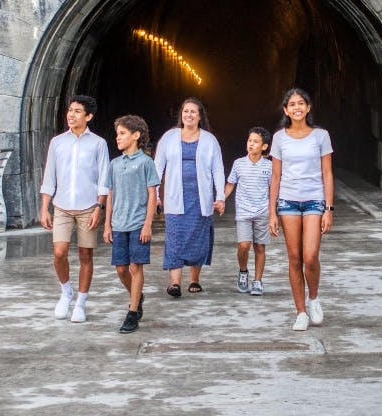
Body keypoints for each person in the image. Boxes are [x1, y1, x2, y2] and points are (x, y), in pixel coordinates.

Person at [38, 95, 109, 324]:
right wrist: (44, 207)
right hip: (62, 206)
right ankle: (66, 290)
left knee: (85, 254)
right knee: (59, 253)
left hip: (88, 206)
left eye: (78, 111)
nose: (71, 115)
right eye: (70, 110)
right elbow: (49, 176)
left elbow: (103, 178)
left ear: (88, 116)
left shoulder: (98, 143)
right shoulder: (57, 142)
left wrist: (99, 207)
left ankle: (80, 302)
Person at [268, 87, 334, 332]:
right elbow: (275, 176)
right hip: (288, 201)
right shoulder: (279, 138)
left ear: (308, 108)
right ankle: (301, 312)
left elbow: (327, 173)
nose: (296, 107)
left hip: (314, 199)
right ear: (286, 110)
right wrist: (272, 211)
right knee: (294, 258)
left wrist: (329, 208)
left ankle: (314, 298)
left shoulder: (320, 136)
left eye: (301, 103)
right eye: (292, 104)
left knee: (310, 256)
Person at [154, 96, 226, 296]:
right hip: (174, 197)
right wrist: (155, 196)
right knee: (175, 238)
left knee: (198, 238)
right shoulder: (169, 137)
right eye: (186, 111)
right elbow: (157, 167)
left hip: (200, 198)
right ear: (181, 115)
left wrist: (220, 196)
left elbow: (217, 170)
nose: (189, 115)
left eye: (193, 111)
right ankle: (174, 283)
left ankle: (194, 279)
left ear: (200, 116)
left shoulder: (209, 140)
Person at [103, 114, 160, 334]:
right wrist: (107, 225)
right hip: (119, 223)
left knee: (136, 266)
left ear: (136, 136)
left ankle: (132, 312)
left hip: (137, 223)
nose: (118, 138)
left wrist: (148, 224)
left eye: (123, 133)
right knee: (120, 268)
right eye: (117, 134)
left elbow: (152, 194)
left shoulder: (146, 162)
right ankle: (138, 295)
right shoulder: (114, 164)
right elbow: (110, 195)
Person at [223, 127, 273, 295]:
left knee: (260, 247)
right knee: (244, 245)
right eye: (250, 141)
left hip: (262, 212)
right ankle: (243, 272)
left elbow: (273, 190)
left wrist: (274, 213)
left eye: (256, 142)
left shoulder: (269, 166)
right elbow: (231, 183)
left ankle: (257, 281)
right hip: (244, 212)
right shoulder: (239, 163)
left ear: (264, 146)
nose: (251, 144)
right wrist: (221, 199)